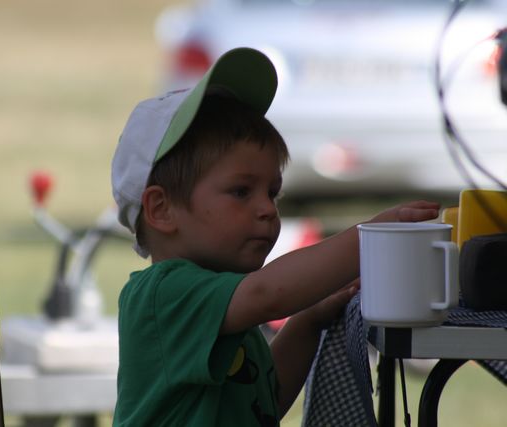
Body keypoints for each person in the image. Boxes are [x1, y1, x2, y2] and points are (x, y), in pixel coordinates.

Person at [110, 47, 440, 426]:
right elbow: (268, 293)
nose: (267, 208)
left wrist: (307, 321)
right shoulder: (162, 296)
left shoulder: (227, 310)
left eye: (273, 193)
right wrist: (371, 237)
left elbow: (263, 402)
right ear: (162, 209)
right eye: (241, 191)